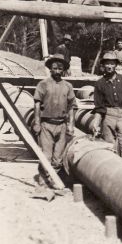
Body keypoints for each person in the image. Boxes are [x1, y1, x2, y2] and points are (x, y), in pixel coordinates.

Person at [33, 53, 76, 187]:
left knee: (58, 158)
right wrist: (37, 123)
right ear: (50, 69)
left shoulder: (68, 86)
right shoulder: (43, 84)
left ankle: (52, 178)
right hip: (46, 124)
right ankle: (43, 179)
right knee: (46, 155)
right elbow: (37, 104)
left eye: (60, 68)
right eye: (55, 68)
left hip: (61, 125)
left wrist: (71, 125)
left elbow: (72, 106)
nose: (57, 71)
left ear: (64, 70)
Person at [92, 52, 122, 163]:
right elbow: (99, 107)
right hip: (108, 115)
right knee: (109, 149)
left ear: (115, 65)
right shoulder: (99, 83)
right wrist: (96, 123)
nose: (109, 66)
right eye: (107, 64)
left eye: (112, 64)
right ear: (103, 65)